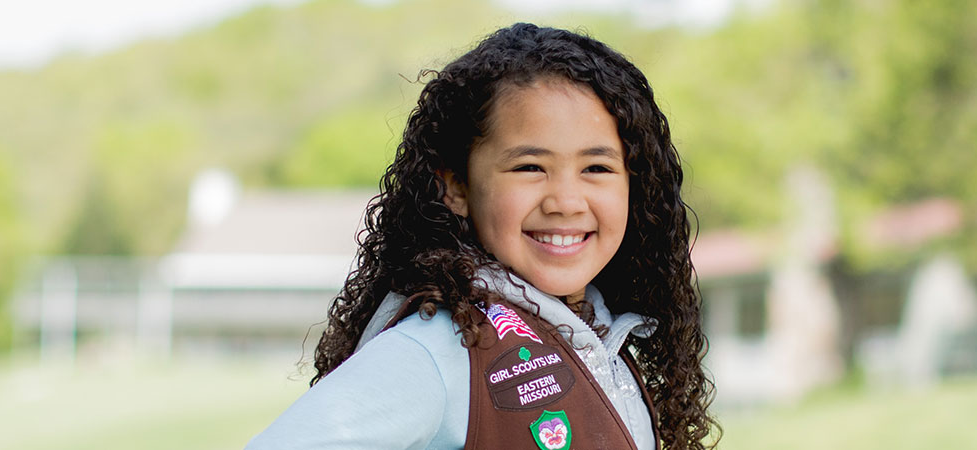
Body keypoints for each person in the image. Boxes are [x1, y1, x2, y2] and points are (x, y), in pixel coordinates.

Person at [248, 22, 716, 450]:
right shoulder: (440, 348)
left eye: (597, 168)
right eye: (529, 167)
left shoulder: (602, 337)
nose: (566, 201)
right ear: (456, 186)